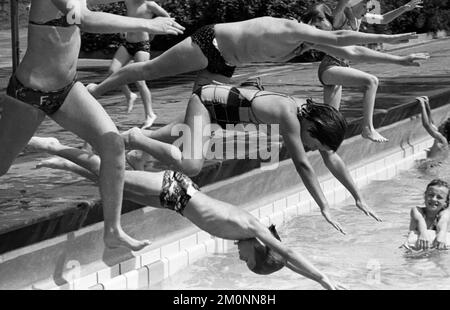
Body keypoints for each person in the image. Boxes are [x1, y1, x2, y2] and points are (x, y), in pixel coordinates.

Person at [28, 136, 347, 290]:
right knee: (110, 170)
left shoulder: (248, 234)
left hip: (174, 201)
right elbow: (288, 254)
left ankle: (66, 162)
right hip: (176, 189)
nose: (240, 259)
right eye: (249, 260)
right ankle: (54, 146)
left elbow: (284, 260)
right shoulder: (252, 228)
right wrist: (323, 280)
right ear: (262, 249)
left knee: (111, 182)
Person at [1, 0, 184, 251]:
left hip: (67, 90)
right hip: (30, 94)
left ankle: (113, 231)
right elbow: (83, 18)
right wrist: (147, 23)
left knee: (113, 145)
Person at [119, 84, 383, 235]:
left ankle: (135, 149)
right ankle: (135, 139)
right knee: (191, 165)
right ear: (313, 129)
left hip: (224, 112)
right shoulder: (291, 117)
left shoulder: (310, 118)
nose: (313, 149)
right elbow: (302, 164)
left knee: (169, 136)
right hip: (208, 105)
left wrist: (357, 195)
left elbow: (331, 156)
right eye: (315, 145)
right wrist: (324, 205)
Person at [86, 15, 419, 97]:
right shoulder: (292, 28)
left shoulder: (306, 44)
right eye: (318, 30)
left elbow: (352, 50)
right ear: (309, 23)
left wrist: (399, 61)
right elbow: (342, 36)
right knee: (145, 70)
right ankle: (95, 92)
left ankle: (147, 142)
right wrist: (393, 37)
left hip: (226, 62)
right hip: (209, 44)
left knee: (204, 104)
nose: (320, 36)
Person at [305, 0, 423, 143]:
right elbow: (342, 4)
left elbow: (384, 19)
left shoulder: (360, 17)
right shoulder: (341, 16)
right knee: (371, 81)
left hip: (341, 68)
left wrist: (404, 8)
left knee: (331, 122)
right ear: (352, 4)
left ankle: (309, 132)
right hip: (330, 67)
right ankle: (367, 128)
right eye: (363, 5)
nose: (366, 9)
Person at [108, 0, 170, 129]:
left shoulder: (150, 5)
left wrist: (153, 31)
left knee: (139, 80)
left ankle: (150, 114)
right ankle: (129, 95)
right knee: (112, 71)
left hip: (142, 45)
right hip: (127, 43)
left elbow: (166, 17)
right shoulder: (129, 2)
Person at [406, 179, 450, 251]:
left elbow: (443, 222)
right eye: (431, 195)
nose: (434, 199)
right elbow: (420, 220)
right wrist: (423, 233)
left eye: (439, 197)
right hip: (414, 251)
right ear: (425, 196)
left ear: (446, 202)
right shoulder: (417, 210)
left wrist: (442, 234)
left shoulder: (446, 213)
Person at [417, 96, 450, 161]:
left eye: (443, 124)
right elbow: (430, 123)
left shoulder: (442, 139)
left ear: (445, 130)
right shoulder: (443, 139)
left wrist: (422, 106)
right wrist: (427, 104)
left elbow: (426, 125)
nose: (441, 124)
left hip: (432, 167)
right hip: (433, 165)